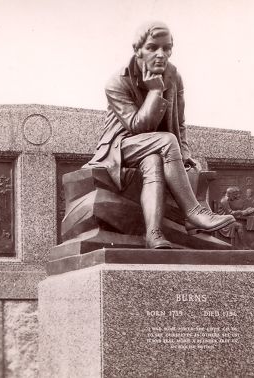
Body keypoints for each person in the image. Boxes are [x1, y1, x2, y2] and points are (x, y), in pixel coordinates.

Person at [83, 21, 235, 249]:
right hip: (120, 146)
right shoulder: (117, 82)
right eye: (153, 47)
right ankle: (193, 212)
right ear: (138, 50)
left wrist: (183, 152)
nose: (161, 54)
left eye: (167, 48)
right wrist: (155, 91)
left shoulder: (174, 76)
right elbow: (136, 126)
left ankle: (153, 234)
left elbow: (179, 122)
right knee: (165, 141)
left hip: (156, 148)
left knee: (154, 160)